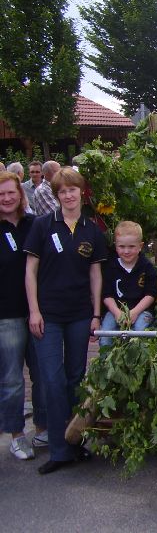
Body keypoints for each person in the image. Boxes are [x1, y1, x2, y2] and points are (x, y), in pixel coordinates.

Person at [24, 167, 107, 474]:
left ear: (81, 193)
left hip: (79, 314)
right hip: (48, 315)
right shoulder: (43, 226)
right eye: (62, 192)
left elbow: (95, 273)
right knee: (52, 380)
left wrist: (96, 312)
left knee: (75, 378)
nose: (68, 196)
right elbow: (30, 270)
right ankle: (58, 449)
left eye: (73, 190)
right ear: (56, 196)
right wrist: (34, 310)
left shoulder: (92, 230)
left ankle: (75, 441)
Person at [0, 172, 46, 460]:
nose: (6, 198)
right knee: (12, 378)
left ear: (21, 195)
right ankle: (16, 433)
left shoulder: (34, 225)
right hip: (6, 314)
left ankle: (42, 427)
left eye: (10, 193)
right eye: (1, 194)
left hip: (37, 311)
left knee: (42, 373)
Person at [99, 221, 157, 347]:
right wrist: (116, 312)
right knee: (105, 335)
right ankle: (105, 362)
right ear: (116, 246)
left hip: (141, 309)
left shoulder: (146, 267)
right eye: (122, 247)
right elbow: (106, 294)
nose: (126, 251)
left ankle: (138, 363)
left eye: (131, 247)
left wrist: (135, 312)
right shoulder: (110, 267)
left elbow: (151, 293)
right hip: (116, 310)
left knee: (140, 332)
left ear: (140, 246)